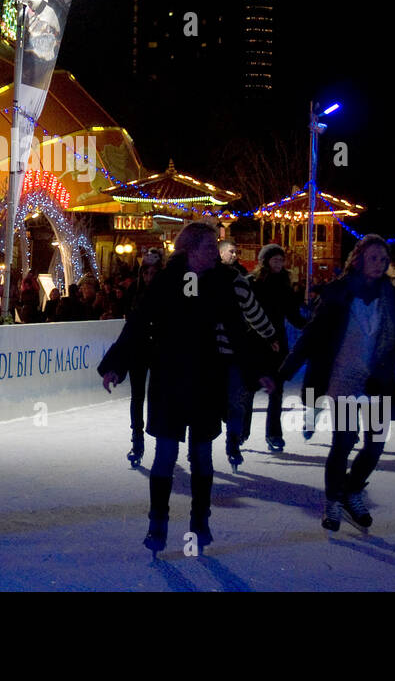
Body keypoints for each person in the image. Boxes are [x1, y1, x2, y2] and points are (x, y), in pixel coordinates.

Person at [99, 222, 277, 555]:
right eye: (210, 247)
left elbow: (238, 332)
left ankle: (199, 520)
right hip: (169, 380)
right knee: (166, 455)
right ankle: (158, 521)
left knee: (202, 455)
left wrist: (260, 370)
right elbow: (138, 322)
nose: (216, 252)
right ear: (192, 250)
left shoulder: (221, 282)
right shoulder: (167, 281)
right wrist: (115, 364)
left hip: (206, 380)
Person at [278, 234, 395, 532]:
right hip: (345, 377)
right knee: (344, 442)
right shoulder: (339, 293)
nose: (380, 264)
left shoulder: (392, 294)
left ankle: (351, 491)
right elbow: (313, 335)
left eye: (384, 259)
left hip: (376, 379)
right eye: (374, 258)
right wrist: (285, 370)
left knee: (375, 445)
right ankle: (333, 502)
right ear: (359, 258)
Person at [218, 239, 282, 468]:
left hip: (232, 351)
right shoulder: (197, 278)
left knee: (236, 400)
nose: (234, 255)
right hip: (211, 353)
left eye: (236, 252)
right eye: (230, 252)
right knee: (220, 402)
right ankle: (203, 443)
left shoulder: (237, 280)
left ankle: (233, 441)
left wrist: (270, 335)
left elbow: (254, 311)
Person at [252, 244, 308, 452]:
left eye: (281, 260)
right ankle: (241, 431)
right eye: (274, 260)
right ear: (265, 261)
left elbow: (292, 313)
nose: (278, 263)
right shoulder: (255, 284)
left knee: (276, 391)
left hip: (278, 343)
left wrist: (307, 325)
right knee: (249, 389)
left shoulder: (284, 284)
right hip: (258, 342)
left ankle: (274, 433)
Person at [122, 248, 163, 466]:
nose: (149, 277)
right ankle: (137, 440)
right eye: (146, 273)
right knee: (137, 396)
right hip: (138, 350)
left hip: (158, 351)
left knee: (156, 396)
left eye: (153, 273)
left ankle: (159, 438)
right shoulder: (134, 292)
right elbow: (129, 322)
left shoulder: (167, 294)